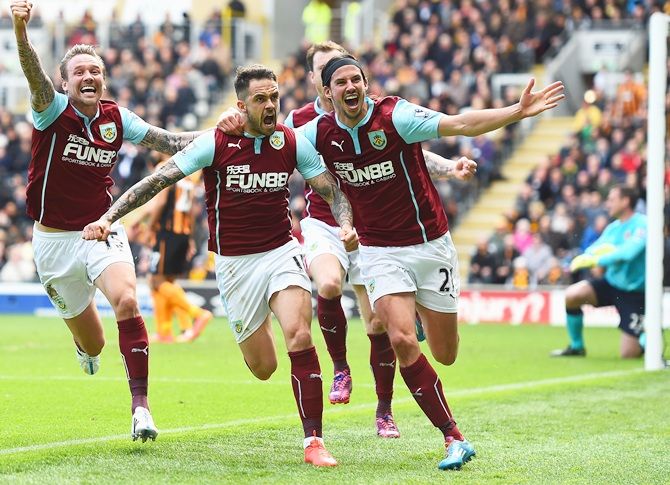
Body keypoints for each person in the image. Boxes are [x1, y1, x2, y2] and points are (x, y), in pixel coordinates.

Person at [299, 54, 564, 470]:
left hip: (430, 244)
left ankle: (423, 313)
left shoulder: (395, 115)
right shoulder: (316, 132)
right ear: (327, 93)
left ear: (366, 84)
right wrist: (228, 123)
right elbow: (267, 142)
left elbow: (459, 123)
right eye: (342, 83)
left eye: (357, 79)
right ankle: (454, 438)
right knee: (401, 339)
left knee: (445, 354)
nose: (351, 87)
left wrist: (517, 112)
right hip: (379, 251)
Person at [83, 65, 357, 467]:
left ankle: (313, 441)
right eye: (260, 99)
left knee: (300, 333)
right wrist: (109, 217)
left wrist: (346, 223)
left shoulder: (291, 142)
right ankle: (260, 317)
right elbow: (157, 180)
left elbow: (331, 190)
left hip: (281, 251)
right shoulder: (216, 142)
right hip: (234, 266)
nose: (270, 105)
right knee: (263, 367)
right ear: (242, 105)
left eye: (274, 97)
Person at [218, 41, 478, 439]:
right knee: (327, 284)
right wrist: (228, 120)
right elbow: (260, 137)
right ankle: (341, 368)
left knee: (384, 326)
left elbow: (407, 152)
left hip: (370, 224)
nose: (340, 81)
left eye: (348, 73)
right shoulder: (299, 121)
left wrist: (448, 167)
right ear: (318, 82)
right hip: (326, 222)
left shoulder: (380, 117)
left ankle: (385, 409)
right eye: (329, 73)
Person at [11, 0, 205, 442]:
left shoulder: (119, 119)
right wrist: (21, 32)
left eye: (94, 70)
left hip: (101, 229)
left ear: (104, 77)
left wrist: (225, 131)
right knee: (95, 343)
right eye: (78, 71)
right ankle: (84, 346)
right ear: (65, 82)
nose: (87, 76)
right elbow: (33, 75)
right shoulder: (50, 109)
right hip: (54, 244)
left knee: (127, 301)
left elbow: (172, 141)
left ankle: (141, 410)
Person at [551, 184, 646, 358]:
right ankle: (577, 347)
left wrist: (597, 260)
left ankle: (647, 336)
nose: (607, 204)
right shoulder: (613, 228)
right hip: (612, 284)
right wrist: (582, 258)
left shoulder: (642, 224)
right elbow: (595, 248)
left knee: (629, 354)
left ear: (625, 201)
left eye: (611, 199)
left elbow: (628, 253)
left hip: (635, 293)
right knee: (573, 295)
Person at [139, 160, 213, 343]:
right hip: (183, 234)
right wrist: (190, 239)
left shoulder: (165, 169)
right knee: (168, 281)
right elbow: (191, 211)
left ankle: (198, 313)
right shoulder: (187, 175)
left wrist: (150, 228)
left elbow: (161, 201)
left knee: (156, 281)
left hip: (167, 233)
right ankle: (167, 332)